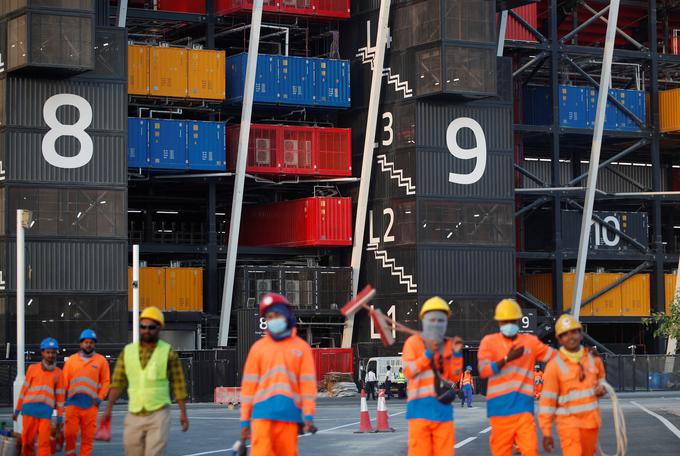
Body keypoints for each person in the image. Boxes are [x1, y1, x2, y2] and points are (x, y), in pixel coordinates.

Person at [103, 307, 189, 456]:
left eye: (151, 327)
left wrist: (183, 413)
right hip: (134, 414)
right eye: (143, 327)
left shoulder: (168, 352)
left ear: (159, 328)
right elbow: (117, 383)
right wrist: (109, 409)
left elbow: (178, 384)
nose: (146, 330)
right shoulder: (127, 352)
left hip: (158, 414)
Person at [240, 293, 317, 456]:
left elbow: (308, 386)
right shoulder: (258, 348)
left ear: (287, 315)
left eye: (276, 315)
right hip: (262, 416)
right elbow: (248, 388)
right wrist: (244, 420)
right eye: (269, 317)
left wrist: (308, 415)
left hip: (289, 418)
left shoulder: (301, 348)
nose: (273, 320)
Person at [478, 299, 556, 456]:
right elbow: (483, 371)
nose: (509, 324)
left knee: (530, 450)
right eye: (505, 321)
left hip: (523, 411)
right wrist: (507, 358)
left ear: (518, 321)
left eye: (512, 320)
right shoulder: (489, 342)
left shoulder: (530, 342)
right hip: (499, 411)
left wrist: (581, 357)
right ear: (499, 322)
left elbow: (555, 357)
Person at [402, 297, 463, 456]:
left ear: (446, 322)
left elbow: (454, 378)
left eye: (441, 320)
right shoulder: (413, 343)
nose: (436, 324)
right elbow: (408, 371)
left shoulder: (449, 345)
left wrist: (457, 355)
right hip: (419, 413)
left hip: (443, 411)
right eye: (432, 319)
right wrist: (428, 353)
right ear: (424, 320)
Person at [539, 314, 606, 456]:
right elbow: (547, 402)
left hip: (590, 424)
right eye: (565, 334)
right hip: (568, 426)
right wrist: (546, 432)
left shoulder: (594, 359)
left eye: (574, 331)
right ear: (559, 339)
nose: (570, 337)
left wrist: (601, 389)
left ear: (581, 334)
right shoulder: (554, 366)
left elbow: (601, 382)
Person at [13, 337, 65, 456]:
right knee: (27, 442)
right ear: (42, 353)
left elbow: (60, 398)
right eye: (48, 352)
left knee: (44, 444)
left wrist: (59, 418)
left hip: (45, 413)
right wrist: (17, 410)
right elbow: (24, 391)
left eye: (53, 352)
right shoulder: (32, 369)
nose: (50, 355)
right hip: (29, 411)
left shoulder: (59, 373)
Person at [63, 329, 110, 456]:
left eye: (91, 342)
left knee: (87, 438)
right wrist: (61, 400)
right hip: (72, 404)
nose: (88, 344)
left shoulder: (101, 361)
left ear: (94, 344)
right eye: (85, 342)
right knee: (69, 434)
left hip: (91, 406)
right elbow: (64, 382)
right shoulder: (71, 360)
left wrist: (100, 398)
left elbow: (106, 382)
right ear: (80, 343)